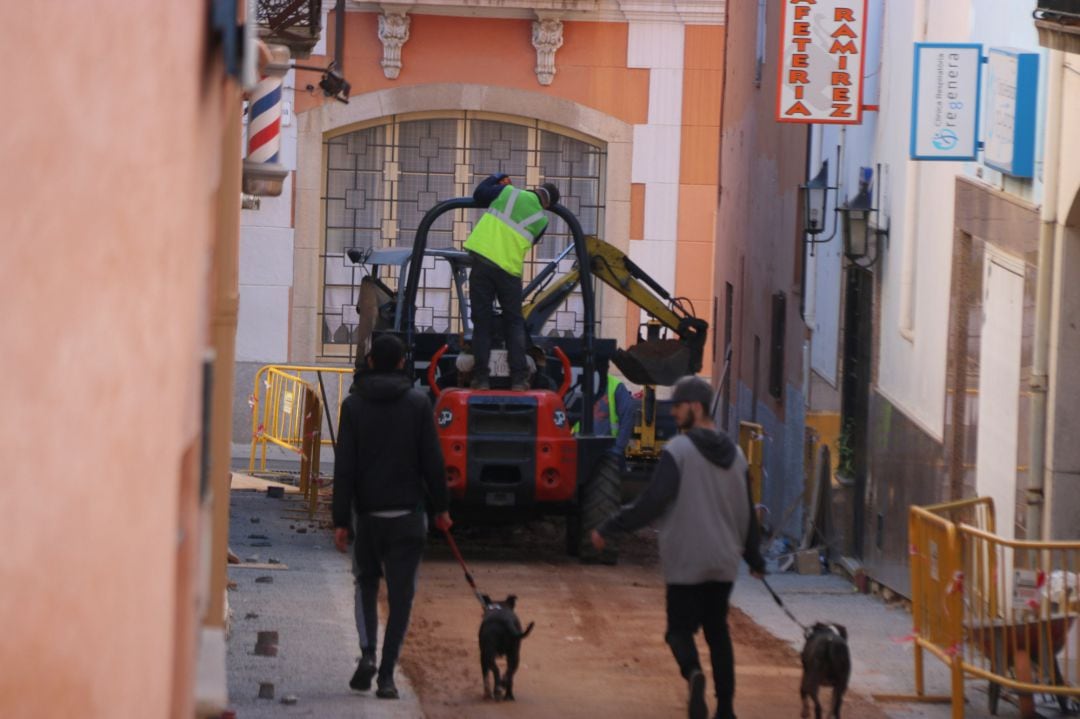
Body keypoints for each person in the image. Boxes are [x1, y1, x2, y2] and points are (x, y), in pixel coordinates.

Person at [591, 375, 765, 719]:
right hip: (723, 563)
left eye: (679, 407)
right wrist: (754, 557)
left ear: (696, 408)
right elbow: (747, 511)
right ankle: (726, 709)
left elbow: (653, 501)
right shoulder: (738, 455)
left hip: (686, 561)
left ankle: (694, 674)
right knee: (718, 632)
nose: (673, 414)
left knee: (678, 632)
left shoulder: (679, 451)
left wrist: (610, 527)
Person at [332, 334, 452, 700]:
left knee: (365, 584)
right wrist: (443, 509)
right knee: (402, 597)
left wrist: (341, 520)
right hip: (408, 517)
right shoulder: (418, 404)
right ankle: (386, 677)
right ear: (402, 364)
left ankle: (368, 653)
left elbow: (345, 468)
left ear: (370, 362)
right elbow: (433, 462)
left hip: (368, 517)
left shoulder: (353, 406)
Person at [464, 173, 560, 391]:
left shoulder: (508, 192)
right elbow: (529, 239)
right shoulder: (542, 221)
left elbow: (479, 194)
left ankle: (481, 379)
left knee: (482, 321)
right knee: (514, 323)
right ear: (548, 205)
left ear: (537, 189)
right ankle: (519, 379)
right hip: (509, 270)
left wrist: (496, 178)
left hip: (483, 260)